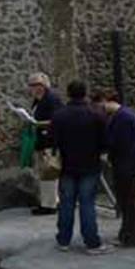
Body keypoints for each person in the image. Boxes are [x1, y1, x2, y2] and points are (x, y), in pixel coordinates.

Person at [50, 80, 110, 254]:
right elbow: (105, 141)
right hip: (90, 164)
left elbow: (53, 140)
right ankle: (92, 243)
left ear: (68, 93)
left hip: (67, 165)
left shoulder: (59, 115)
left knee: (66, 204)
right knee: (87, 204)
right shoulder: (96, 114)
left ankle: (63, 240)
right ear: (85, 93)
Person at [97, 89, 135, 247]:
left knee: (126, 199)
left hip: (127, 163)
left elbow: (120, 143)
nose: (101, 107)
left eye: (102, 103)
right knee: (130, 196)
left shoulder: (123, 117)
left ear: (107, 100)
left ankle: (129, 236)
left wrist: (106, 152)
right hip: (129, 161)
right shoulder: (123, 115)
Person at [28, 72, 63, 215]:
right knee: (44, 173)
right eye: (32, 85)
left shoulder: (51, 99)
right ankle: (48, 202)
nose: (35, 88)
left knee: (50, 172)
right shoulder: (38, 100)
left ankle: (50, 205)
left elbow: (57, 120)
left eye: (38, 85)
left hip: (50, 141)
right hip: (41, 140)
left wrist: (37, 123)